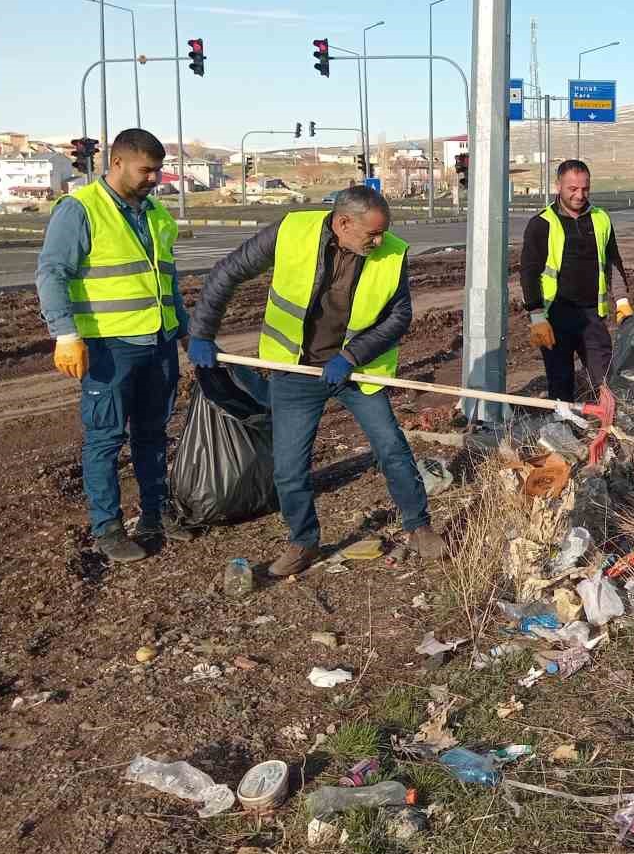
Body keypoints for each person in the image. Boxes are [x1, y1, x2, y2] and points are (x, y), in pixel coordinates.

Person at [186, 186, 446, 576]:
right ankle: (303, 541)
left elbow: (399, 317)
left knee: (391, 447)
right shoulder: (291, 231)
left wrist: (351, 355)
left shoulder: (392, 251)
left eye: (381, 233)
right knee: (289, 467)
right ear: (343, 223)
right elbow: (229, 272)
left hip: (356, 371)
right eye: (371, 234)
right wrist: (202, 332)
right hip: (295, 370)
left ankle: (418, 526)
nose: (379, 241)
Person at [36, 128, 190, 563]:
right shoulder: (80, 209)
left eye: (158, 170)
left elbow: (167, 279)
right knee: (104, 440)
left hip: (157, 342)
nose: (154, 178)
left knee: (153, 434)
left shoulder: (157, 215)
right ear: (117, 163)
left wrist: (185, 329)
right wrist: (65, 335)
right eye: (147, 170)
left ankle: (156, 514)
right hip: (108, 347)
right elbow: (51, 274)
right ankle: (106, 528)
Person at [520, 159, 632, 401]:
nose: (579, 195)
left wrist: (622, 301)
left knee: (605, 378)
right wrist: (536, 315)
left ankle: (610, 427)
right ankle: (563, 429)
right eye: (573, 189)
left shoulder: (601, 219)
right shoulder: (541, 224)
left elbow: (613, 261)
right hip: (555, 317)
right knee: (560, 381)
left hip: (592, 315)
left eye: (585, 188)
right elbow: (529, 272)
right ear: (558, 186)